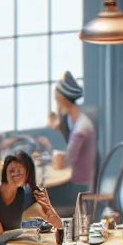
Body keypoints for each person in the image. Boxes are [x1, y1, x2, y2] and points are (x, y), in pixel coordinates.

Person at [47, 72, 97, 213]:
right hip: (74, 182)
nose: (56, 105)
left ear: (65, 100)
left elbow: (66, 161)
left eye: (57, 100)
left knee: (35, 196)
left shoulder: (81, 129)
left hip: (79, 188)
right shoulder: (72, 121)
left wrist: (55, 134)